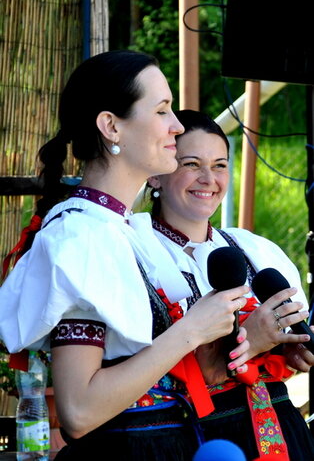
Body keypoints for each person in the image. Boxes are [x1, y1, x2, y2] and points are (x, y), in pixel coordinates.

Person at [0, 52, 251, 461]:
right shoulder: (83, 239)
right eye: (162, 110)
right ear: (111, 126)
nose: (177, 126)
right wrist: (190, 331)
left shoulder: (123, 231)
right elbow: (78, 411)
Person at [147, 109, 314, 460]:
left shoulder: (254, 250)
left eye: (220, 165)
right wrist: (248, 343)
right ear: (156, 176)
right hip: (194, 439)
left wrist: (292, 348)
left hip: (282, 433)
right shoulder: (137, 254)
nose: (208, 178)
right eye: (191, 164)